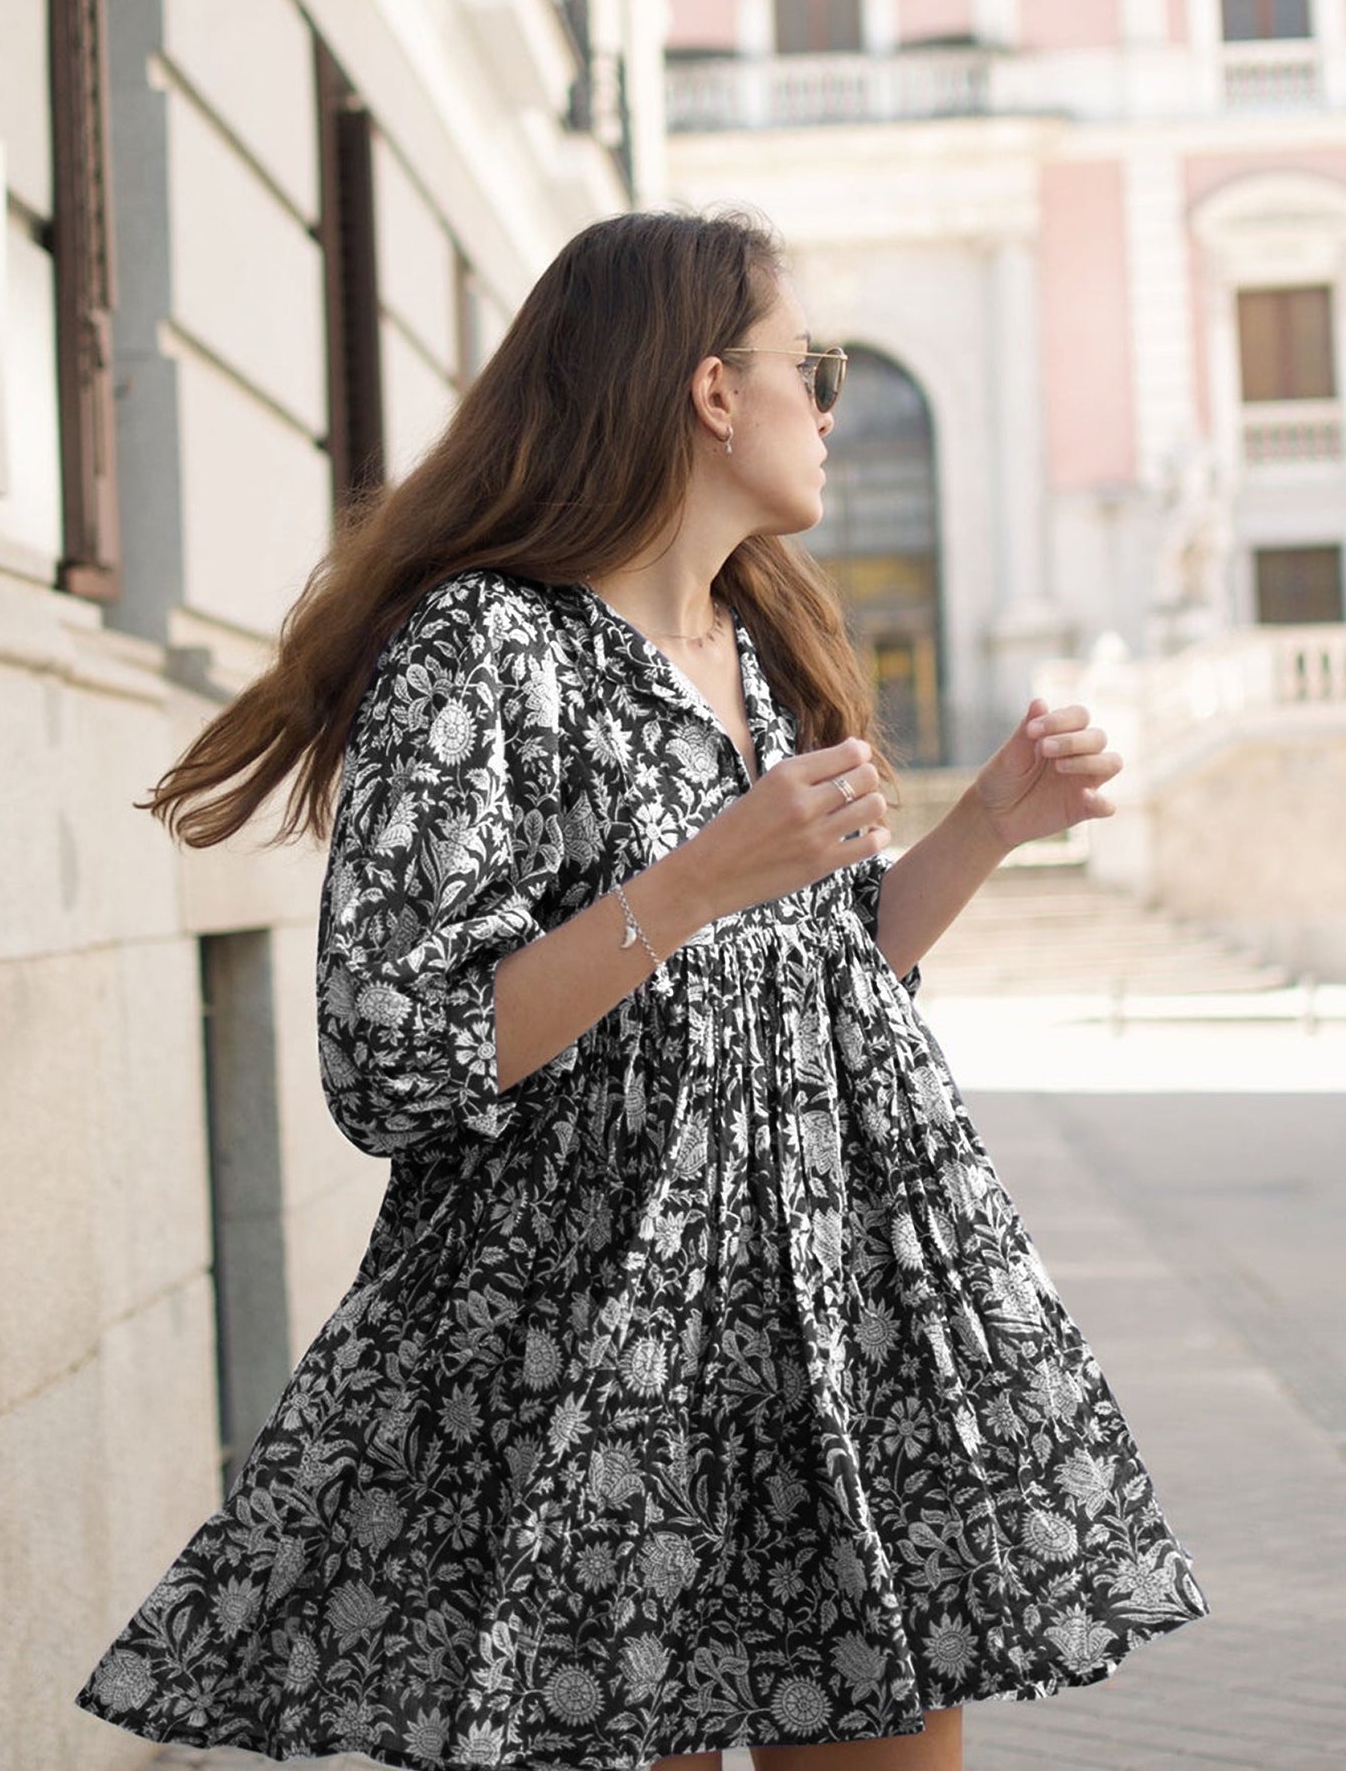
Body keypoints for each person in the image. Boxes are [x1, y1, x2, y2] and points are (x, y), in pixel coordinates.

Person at [73, 208, 1207, 1771]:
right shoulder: (481, 649)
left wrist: (990, 826)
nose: (831, 398)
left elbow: (823, 988)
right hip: (601, 1369)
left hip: (831, 1333)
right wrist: (688, 884)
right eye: (806, 363)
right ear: (709, 393)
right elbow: (390, 1056)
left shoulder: (772, 645)